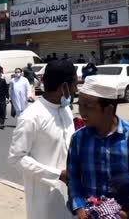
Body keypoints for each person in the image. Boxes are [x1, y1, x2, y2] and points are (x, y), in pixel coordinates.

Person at [68, 76, 129, 218]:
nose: (82, 112)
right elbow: (73, 179)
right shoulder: (78, 139)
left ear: (109, 109)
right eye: (80, 105)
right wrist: (79, 208)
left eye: (88, 106)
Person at [8, 60, 77, 219]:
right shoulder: (31, 117)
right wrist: (57, 174)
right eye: (74, 84)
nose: (76, 89)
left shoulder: (66, 109)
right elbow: (16, 158)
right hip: (44, 199)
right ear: (64, 87)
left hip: (72, 197)